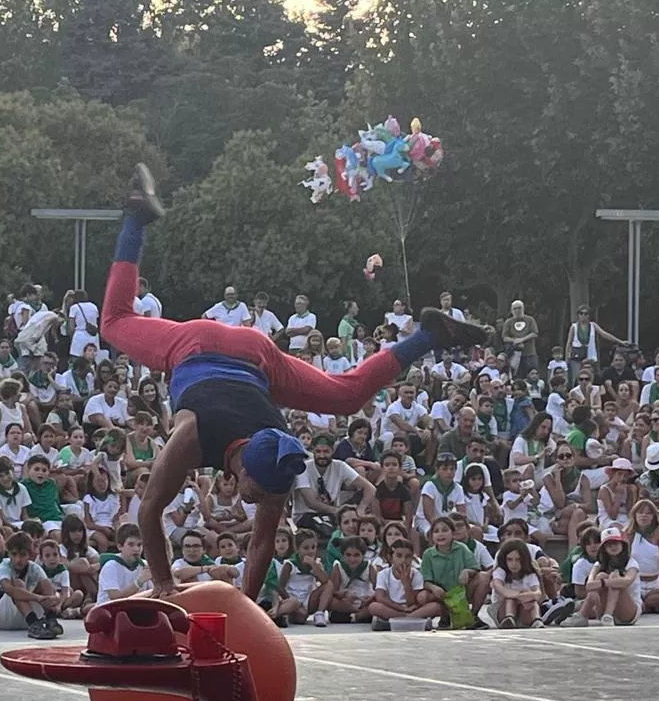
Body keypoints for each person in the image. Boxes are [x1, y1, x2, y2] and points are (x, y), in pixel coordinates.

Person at [98, 164, 487, 596]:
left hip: (255, 357)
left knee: (346, 396)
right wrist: (165, 585)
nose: (253, 501)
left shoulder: (279, 460)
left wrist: (246, 606)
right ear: (245, 470)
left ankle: (431, 333)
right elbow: (149, 509)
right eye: (257, 493)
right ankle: (136, 215)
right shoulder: (189, 436)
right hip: (198, 344)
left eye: (262, 496)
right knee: (114, 321)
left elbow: (263, 538)